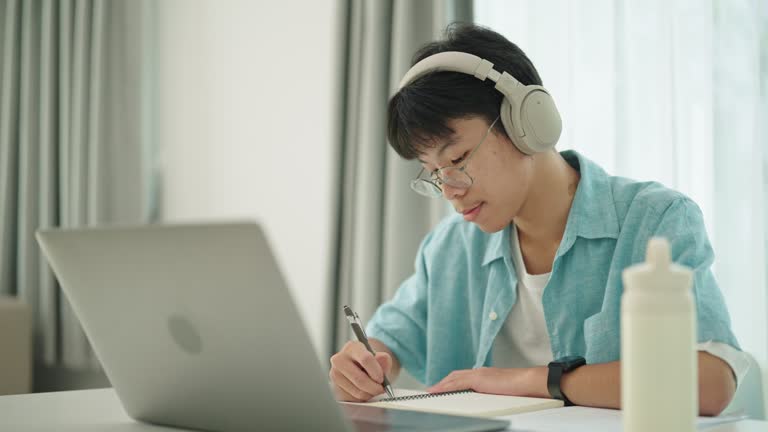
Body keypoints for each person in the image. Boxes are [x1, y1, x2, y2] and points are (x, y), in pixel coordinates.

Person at [328, 23, 747, 416]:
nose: (449, 188)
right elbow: (388, 341)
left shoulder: (654, 221)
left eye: (456, 159)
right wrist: (363, 364)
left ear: (527, 121)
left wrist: (532, 381)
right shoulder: (449, 249)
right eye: (434, 173)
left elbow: (710, 383)